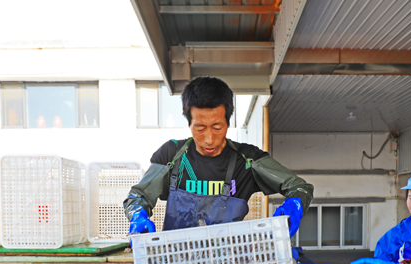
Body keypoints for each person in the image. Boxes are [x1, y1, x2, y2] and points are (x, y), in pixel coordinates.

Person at [123, 76, 313, 235]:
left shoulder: (248, 160)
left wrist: (292, 208)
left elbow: (299, 188)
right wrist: (138, 216)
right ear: (189, 123)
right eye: (200, 128)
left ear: (228, 122)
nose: (209, 139)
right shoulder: (172, 156)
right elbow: (138, 196)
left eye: (217, 127)